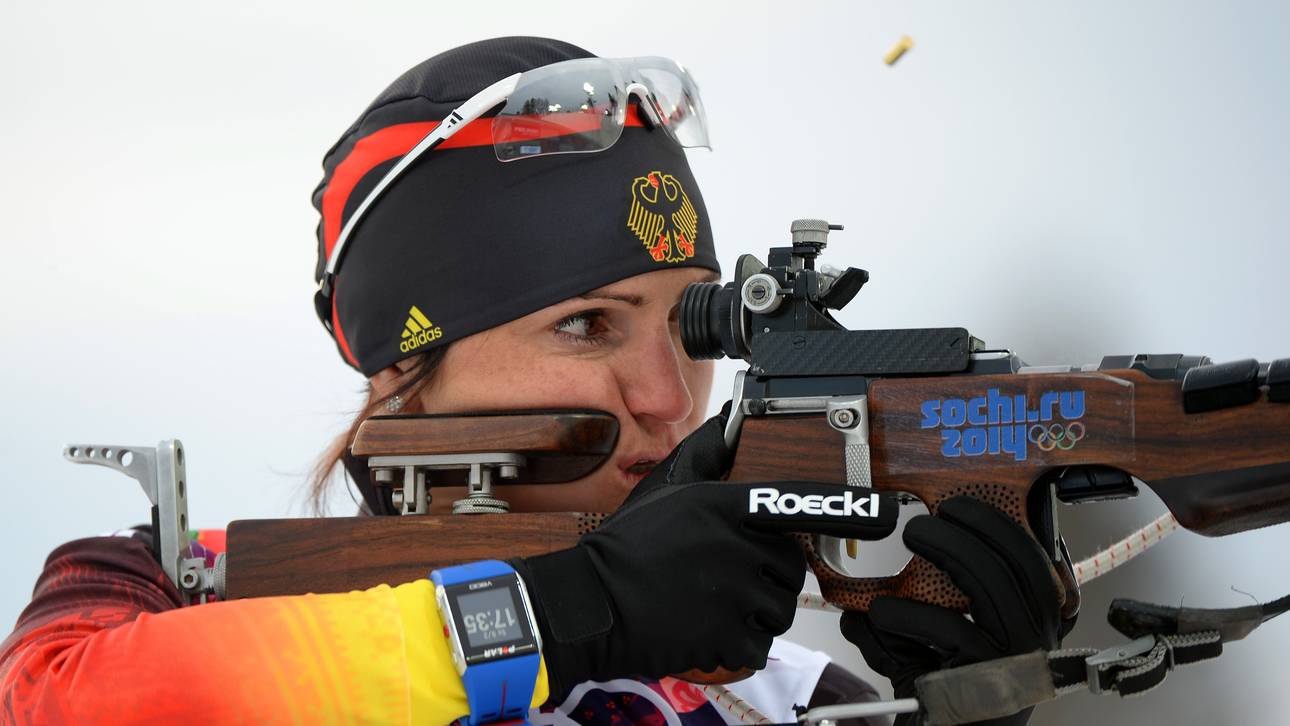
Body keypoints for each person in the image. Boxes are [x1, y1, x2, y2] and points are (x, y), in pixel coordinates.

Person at [0, 37, 1067, 726]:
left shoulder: (777, 694)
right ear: (404, 370)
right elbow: (51, 705)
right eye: (586, 324)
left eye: (697, 329)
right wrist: (564, 616)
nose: (667, 396)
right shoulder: (172, 587)